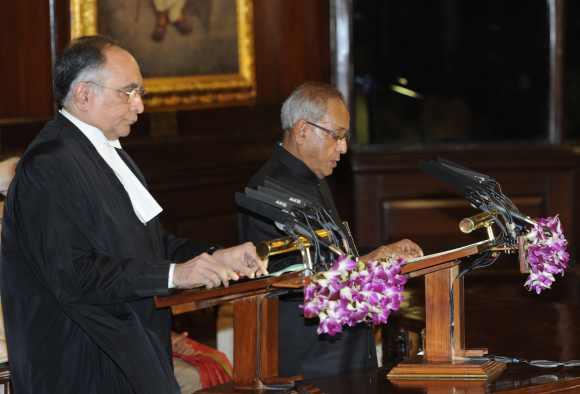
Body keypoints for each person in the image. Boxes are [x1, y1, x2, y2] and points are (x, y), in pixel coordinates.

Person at [0, 35, 267, 394]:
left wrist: (215, 256)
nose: (139, 105)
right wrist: (175, 274)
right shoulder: (49, 164)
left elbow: (150, 244)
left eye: (139, 92)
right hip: (81, 362)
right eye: (127, 92)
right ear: (83, 95)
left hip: (126, 347)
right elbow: (74, 274)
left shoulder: (109, 152)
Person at [238, 82, 423, 379]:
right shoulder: (267, 191)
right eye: (336, 136)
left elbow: (332, 259)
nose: (343, 147)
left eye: (345, 137)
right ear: (302, 131)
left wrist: (382, 257)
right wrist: (373, 260)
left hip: (340, 352)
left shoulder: (314, 178)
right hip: (311, 359)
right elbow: (299, 282)